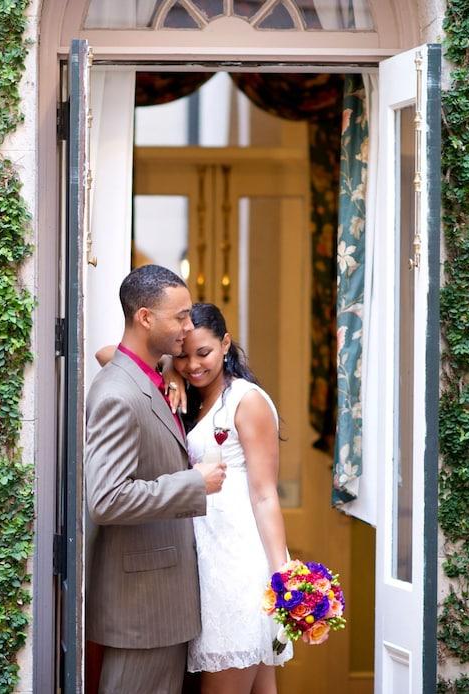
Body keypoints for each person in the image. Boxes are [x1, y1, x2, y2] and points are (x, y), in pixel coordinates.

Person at [85, 265, 228, 694]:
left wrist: (170, 368)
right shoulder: (118, 394)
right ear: (145, 318)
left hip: (160, 604)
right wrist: (193, 484)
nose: (188, 326)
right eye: (180, 317)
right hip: (142, 609)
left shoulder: (150, 375)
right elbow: (107, 499)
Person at [173, 302, 293, 693]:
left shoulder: (247, 400)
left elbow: (264, 494)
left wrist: (283, 576)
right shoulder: (193, 396)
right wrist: (168, 371)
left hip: (236, 563)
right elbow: (108, 354)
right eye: (183, 355)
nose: (193, 365)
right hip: (211, 558)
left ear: (225, 344)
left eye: (203, 352)